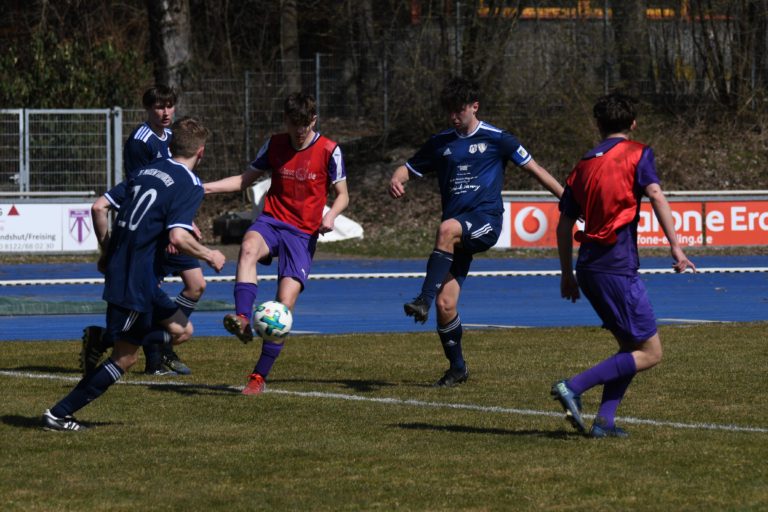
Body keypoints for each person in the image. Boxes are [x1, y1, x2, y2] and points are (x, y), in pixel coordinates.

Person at [42, 117, 226, 431]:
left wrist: (105, 252)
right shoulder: (189, 184)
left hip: (129, 270)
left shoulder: (146, 171)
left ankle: (105, 338)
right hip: (134, 278)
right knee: (124, 358)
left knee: (182, 330)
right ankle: (59, 414)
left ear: (170, 145)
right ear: (202, 152)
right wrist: (210, 254)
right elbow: (178, 238)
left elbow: (100, 207)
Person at [388, 76, 563, 387]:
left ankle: (422, 299)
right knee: (447, 305)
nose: (454, 117)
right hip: (455, 237)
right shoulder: (441, 142)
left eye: (460, 111)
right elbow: (408, 167)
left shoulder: (499, 139)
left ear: (474, 107)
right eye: (450, 112)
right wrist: (397, 178)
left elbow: (537, 171)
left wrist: (570, 201)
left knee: (446, 229)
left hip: (486, 222)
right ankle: (457, 368)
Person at [551, 93, 696, 438]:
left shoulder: (583, 164)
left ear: (598, 126)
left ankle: (605, 422)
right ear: (633, 123)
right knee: (651, 352)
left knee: (631, 347)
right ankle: (572, 386)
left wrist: (567, 274)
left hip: (588, 268)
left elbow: (562, 226)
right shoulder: (638, 153)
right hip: (616, 267)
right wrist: (676, 247)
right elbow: (657, 195)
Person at [204, 92, 349, 395]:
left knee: (284, 307)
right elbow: (245, 179)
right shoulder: (274, 144)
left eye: (304, 125)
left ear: (314, 120)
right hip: (272, 221)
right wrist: (204, 188)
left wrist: (331, 216)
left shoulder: (329, 150)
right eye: (293, 124)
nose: (298, 132)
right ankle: (243, 318)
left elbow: (343, 194)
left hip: (302, 234)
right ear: (285, 121)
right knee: (247, 248)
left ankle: (258, 377)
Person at [81, 85, 205, 376]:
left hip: (169, 226)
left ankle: (118, 340)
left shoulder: (174, 137)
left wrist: (185, 222)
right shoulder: (141, 141)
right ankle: (155, 355)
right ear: (147, 109)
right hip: (149, 231)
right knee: (151, 291)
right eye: (159, 107)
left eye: (169, 106)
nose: (165, 112)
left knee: (196, 284)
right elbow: (143, 187)